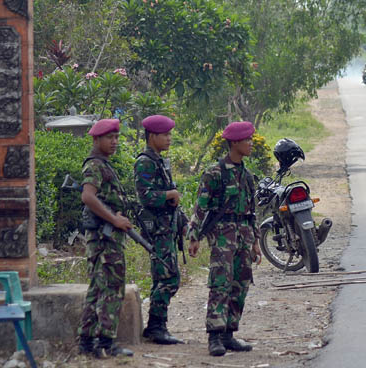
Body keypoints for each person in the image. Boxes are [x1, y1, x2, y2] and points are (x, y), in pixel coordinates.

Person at [187, 121, 262, 357]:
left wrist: (256, 242)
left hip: (244, 234)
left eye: (251, 139)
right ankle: (215, 336)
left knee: (240, 283)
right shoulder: (214, 172)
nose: (251, 143)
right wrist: (194, 236)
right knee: (220, 283)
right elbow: (201, 206)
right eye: (247, 140)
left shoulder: (247, 175)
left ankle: (229, 333)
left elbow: (252, 211)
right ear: (234, 143)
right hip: (223, 235)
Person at [77, 118, 134, 358]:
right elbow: (88, 197)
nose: (114, 142)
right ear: (96, 139)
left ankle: (87, 342)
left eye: (117, 137)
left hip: (105, 236)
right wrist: (114, 219)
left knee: (98, 289)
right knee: (112, 288)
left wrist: (116, 214)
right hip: (103, 238)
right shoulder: (95, 166)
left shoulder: (103, 164)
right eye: (109, 138)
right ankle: (107, 342)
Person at [134, 114, 188, 345]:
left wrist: (183, 223)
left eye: (169, 134)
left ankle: (157, 326)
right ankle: (156, 326)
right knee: (169, 278)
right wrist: (169, 195)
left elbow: (171, 198)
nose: (169, 138)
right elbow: (145, 197)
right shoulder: (145, 161)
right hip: (157, 231)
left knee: (163, 278)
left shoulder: (158, 160)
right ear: (152, 136)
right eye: (165, 134)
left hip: (167, 228)